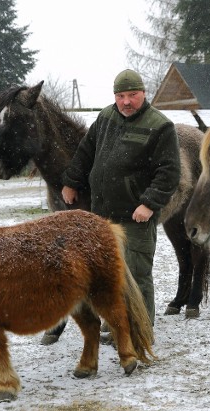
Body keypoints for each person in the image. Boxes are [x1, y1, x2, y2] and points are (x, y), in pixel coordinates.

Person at [46, 69, 180, 343]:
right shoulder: (106, 117)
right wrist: (71, 181)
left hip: (136, 217)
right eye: (120, 96)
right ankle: (120, 326)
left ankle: (142, 333)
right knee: (110, 275)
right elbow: (86, 151)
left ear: (144, 93)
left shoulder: (160, 126)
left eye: (132, 95)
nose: (126, 101)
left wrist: (149, 203)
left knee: (138, 275)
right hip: (104, 217)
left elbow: (169, 173)